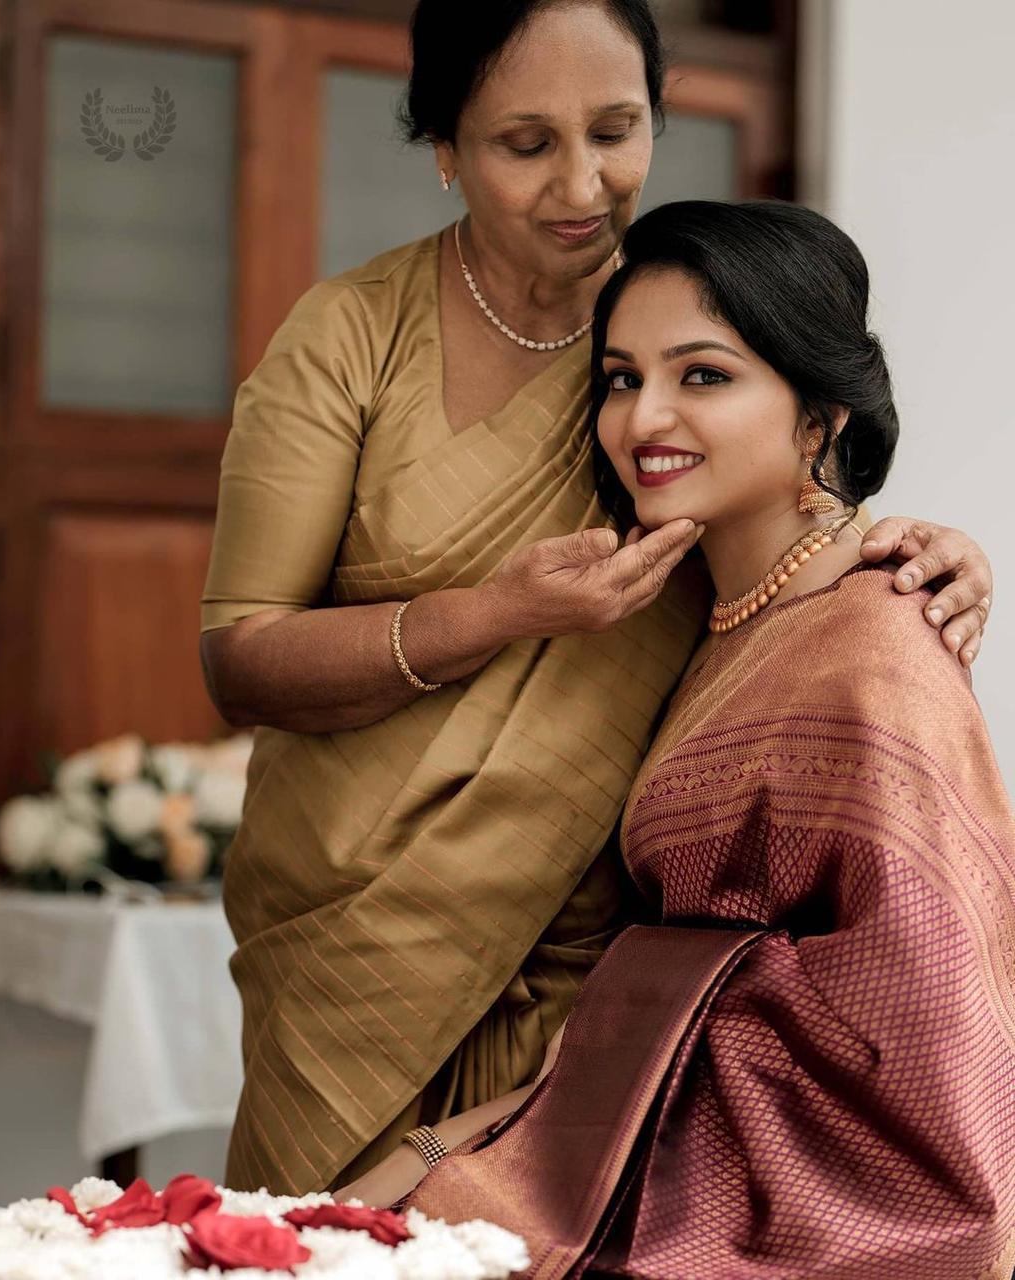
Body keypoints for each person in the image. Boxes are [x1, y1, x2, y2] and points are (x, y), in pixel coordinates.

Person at [199, 1, 994, 1197]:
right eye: (525, 144)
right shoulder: (352, 337)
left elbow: (781, 497)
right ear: (446, 147)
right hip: (357, 941)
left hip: (598, 962)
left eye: (617, 131)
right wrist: (498, 612)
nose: (584, 182)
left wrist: (929, 548)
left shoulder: (679, 307)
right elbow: (238, 657)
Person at [339, 200, 1015, 1278]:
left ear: (819, 417)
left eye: (702, 375)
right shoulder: (693, 600)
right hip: (614, 1116)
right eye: (620, 376)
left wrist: (633, 1015)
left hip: (767, 1200)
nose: (642, 417)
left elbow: (924, 1020)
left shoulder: (878, 644)